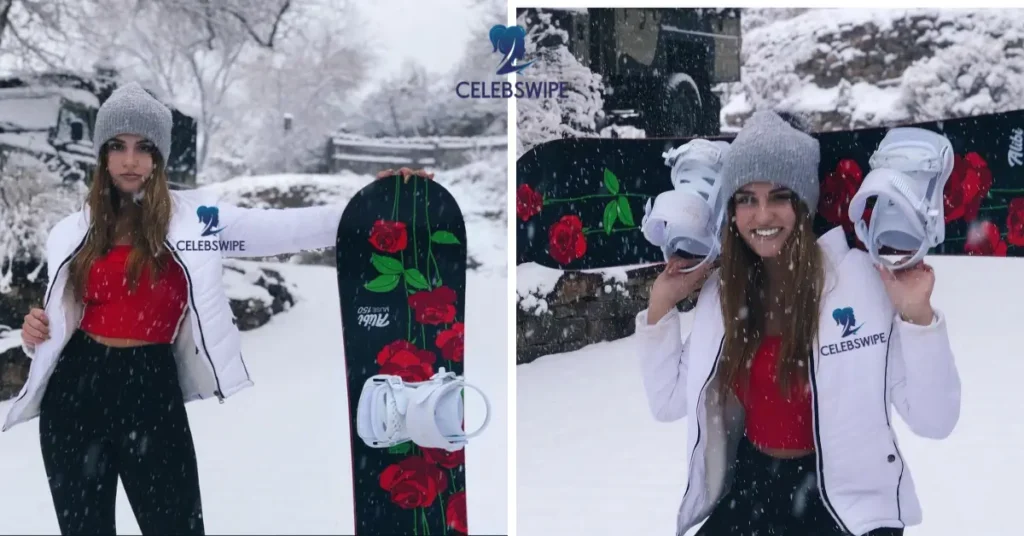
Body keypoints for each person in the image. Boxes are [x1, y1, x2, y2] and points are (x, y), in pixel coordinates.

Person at [7, 82, 433, 535]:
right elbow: (62, 320)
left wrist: (375, 202)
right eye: (117, 146)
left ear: (159, 157)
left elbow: (287, 229)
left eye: (143, 147)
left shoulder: (196, 221)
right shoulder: (70, 232)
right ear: (102, 155)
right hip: (75, 396)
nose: (130, 160)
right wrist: (36, 334)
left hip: (149, 389)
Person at [635, 110, 961, 536]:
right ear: (731, 211)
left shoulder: (862, 282)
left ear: (804, 201)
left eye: (780, 196)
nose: (762, 215)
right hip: (751, 491)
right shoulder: (723, 293)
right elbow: (668, 402)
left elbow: (934, 420)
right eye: (746, 198)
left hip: (845, 501)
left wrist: (918, 316)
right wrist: (661, 305)